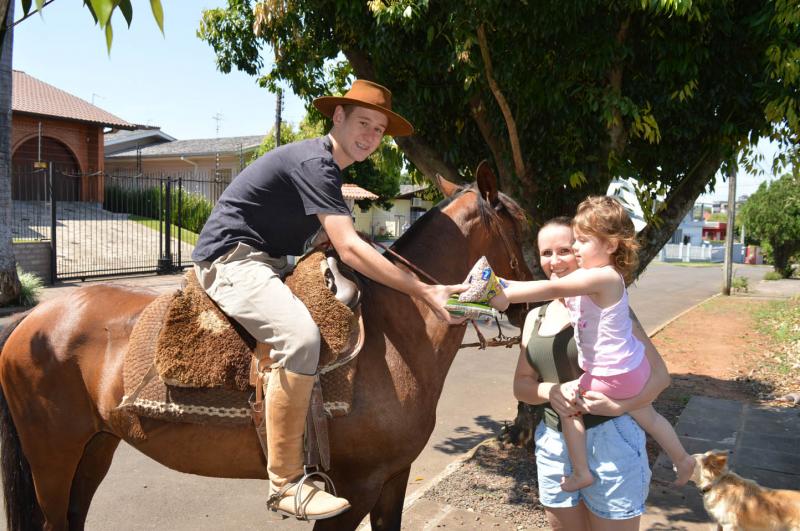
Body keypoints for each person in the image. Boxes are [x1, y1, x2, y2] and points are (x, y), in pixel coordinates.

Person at [191, 79, 465, 520]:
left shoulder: (327, 169)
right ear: (337, 116)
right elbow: (352, 246)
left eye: (379, 130)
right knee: (299, 338)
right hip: (231, 258)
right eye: (363, 123)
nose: (371, 137)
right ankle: (285, 482)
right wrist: (424, 289)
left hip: (271, 259)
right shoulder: (316, 162)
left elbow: (329, 236)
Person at [492, 197, 695, 493]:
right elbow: (556, 294)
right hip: (629, 368)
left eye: (576, 244)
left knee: (570, 407)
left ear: (610, 245)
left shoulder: (601, 278)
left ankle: (581, 472)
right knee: (650, 416)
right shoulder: (579, 295)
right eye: (546, 253)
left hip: (612, 379)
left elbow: (550, 287)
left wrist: (503, 288)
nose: (569, 253)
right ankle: (682, 457)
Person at [512, 216, 671, 529]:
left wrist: (621, 406)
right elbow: (522, 385)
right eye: (546, 253)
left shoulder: (606, 308)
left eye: (565, 249)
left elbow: (660, 377)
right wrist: (550, 392)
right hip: (555, 446)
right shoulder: (536, 317)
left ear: (582, 250)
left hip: (611, 440)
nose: (555, 260)